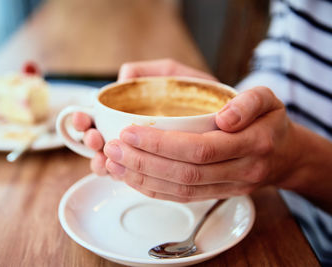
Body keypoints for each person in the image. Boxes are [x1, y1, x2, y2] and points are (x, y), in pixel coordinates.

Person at [72, 0, 332, 264]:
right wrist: (234, 108)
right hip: (268, 203)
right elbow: (284, 55)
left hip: (312, 243)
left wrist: (296, 160)